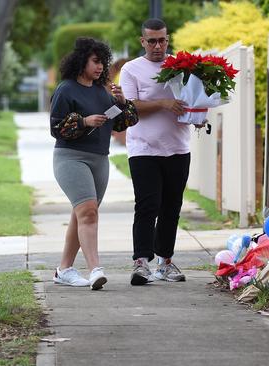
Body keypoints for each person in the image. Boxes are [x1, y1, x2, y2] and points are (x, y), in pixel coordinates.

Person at [50, 37, 138, 290]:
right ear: (82, 61)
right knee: (88, 212)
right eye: (95, 62)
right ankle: (95, 269)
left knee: (83, 215)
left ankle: (63, 269)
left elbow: (124, 123)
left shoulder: (103, 91)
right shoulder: (65, 89)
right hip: (70, 157)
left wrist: (121, 103)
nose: (100, 67)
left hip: (100, 159)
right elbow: (56, 128)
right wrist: (84, 121)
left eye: (103, 62)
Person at [118, 18, 194, 285]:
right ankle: (141, 263)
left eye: (162, 40)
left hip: (177, 147)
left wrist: (198, 114)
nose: (158, 45)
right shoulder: (131, 69)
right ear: (143, 42)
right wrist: (163, 102)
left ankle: (165, 262)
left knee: (172, 206)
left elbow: (193, 99)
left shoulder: (181, 67)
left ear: (167, 39)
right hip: (143, 149)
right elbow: (130, 106)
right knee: (148, 205)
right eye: (152, 41)